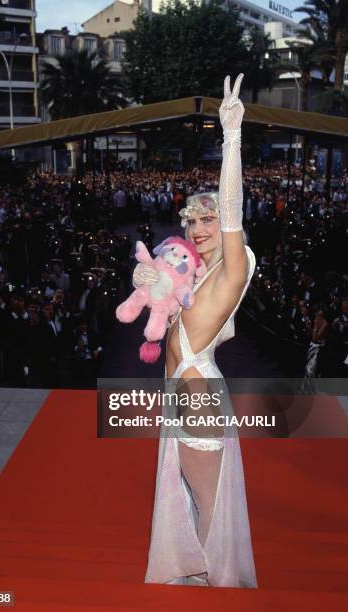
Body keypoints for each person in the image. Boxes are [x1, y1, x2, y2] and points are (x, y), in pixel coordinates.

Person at [142, 74, 258, 587]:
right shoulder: (200, 276)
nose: (199, 229)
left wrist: (231, 138)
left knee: (207, 499)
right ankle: (205, 575)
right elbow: (176, 327)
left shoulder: (234, 268)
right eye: (192, 222)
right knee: (192, 493)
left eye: (207, 220)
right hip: (184, 389)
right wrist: (154, 290)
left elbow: (232, 209)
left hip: (197, 393)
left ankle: (220, 586)